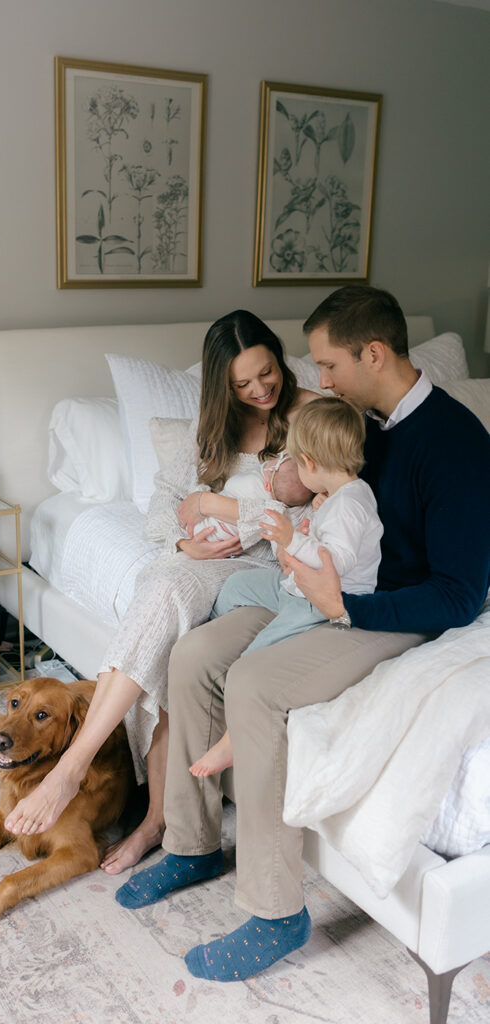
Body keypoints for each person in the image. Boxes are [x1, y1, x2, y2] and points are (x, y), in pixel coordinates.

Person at [114, 285, 490, 984]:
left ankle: (275, 911)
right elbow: (307, 492)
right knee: (195, 654)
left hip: (390, 609)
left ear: (373, 354)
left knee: (255, 683)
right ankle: (191, 843)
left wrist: (347, 610)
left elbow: (461, 595)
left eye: (328, 365)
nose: (316, 380)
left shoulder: (458, 445)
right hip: (323, 586)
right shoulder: (360, 425)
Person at [4, 310, 318, 874]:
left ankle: (73, 769)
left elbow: (303, 505)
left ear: (279, 356)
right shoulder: (212, 429)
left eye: (266, 373)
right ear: (223, 386)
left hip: (267, 561)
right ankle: (151, 819)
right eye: (242, 384)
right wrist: (183, 538)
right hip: (202, 560)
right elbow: (161, 500)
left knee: (164, 586)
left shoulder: (309, 416)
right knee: (165, 603)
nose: (259, 390)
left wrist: (214, 507)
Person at [190, 396, 383, 778]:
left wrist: (293, 538)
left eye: (295, 463)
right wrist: (309, 531)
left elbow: (334, 564)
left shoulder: (350, 505)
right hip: (294, 584)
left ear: (310, 463)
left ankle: (231, 742)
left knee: (250, 662)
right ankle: (221, 624)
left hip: (317, 600)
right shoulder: (339, 497)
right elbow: (329, 543)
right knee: (237, 586)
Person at [193, 450, 313, 543]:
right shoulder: (281, 504)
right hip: (212, 528)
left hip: (211, 528)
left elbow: (231, 486)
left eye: (275, 464)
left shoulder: (253, 485)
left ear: (267, 486)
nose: (270, 463)